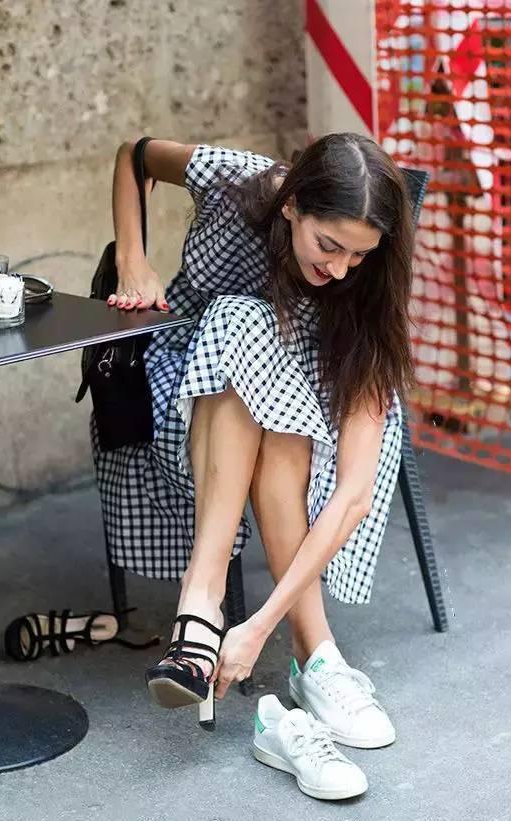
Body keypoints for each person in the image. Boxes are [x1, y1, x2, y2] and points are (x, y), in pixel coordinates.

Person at [97, 134, 414, 744]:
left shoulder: (369, 297)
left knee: (278, 418)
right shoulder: (233, 180)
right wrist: (133, 258)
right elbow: (133, 154)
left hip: (311, 422)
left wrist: (260, 624)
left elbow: (353, 494)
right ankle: (230, 609)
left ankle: (266, 637)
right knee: (238, 319)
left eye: (359, 254)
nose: (339, 269)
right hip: (196, 388)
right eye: (329, 245)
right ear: (292, 203)